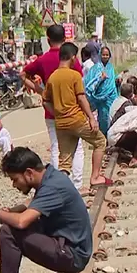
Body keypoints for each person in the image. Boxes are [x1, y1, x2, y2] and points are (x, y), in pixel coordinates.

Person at [21, 25, 85, 189]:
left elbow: (23, 74)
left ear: (48, 40)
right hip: (72, 111)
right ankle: (76, 185)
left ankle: (59, 186)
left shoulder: (41, 60)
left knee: (57, 147)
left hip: (51, 112)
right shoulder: (71, 60)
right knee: (75, 148)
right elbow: (80, 81)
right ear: (65, 39)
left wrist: (40, 91)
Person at [42, 42, 110, 189]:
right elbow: (81, 98)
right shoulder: (74, 75)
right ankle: (95, 177)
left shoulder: (52, 78)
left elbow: (45, 102)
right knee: (100, 142)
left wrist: (58, 113)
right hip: (77, 120)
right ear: (72, 58)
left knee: (65, 160)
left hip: (61, 124)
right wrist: (91, 118)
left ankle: (61, 189)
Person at [84, 46, 119, 136]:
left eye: (107, 55)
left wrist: (117, 81)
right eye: (103, 55)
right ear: (100, 55)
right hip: (101, 99)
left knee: (112, 116)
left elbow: (113, 80)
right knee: (103, 117)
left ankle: (111, 136)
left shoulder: (111, 67)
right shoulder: (95, 68)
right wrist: (101, 79)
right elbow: (89, 85)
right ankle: (103, 136)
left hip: (111, 97)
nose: (105, 57)